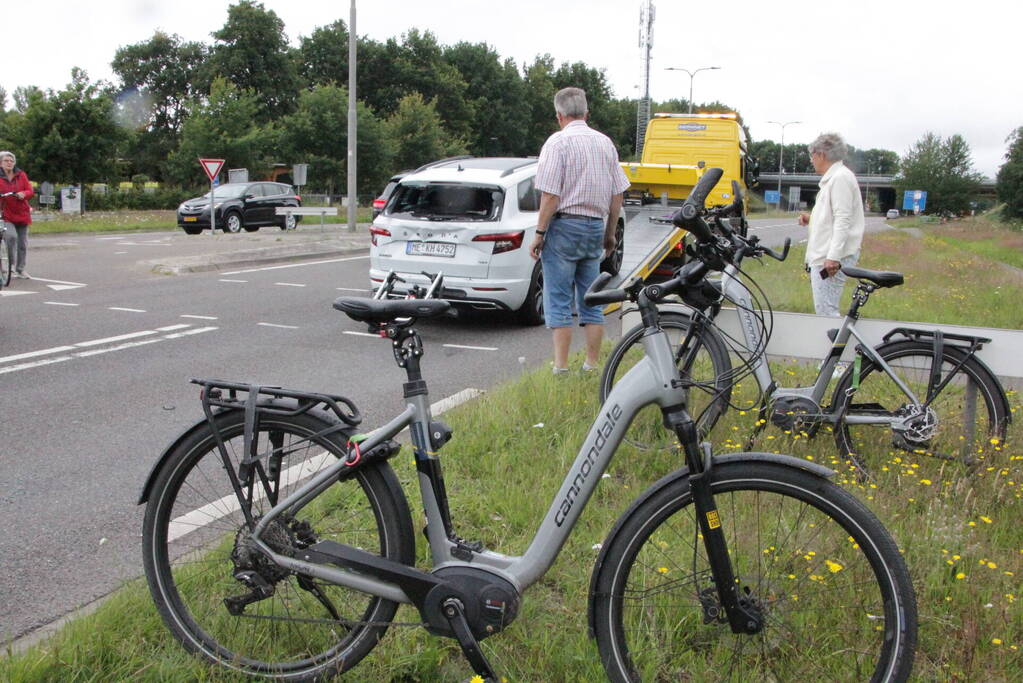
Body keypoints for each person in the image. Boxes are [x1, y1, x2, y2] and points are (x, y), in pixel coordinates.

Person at [530, 87, 630, 374]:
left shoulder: (557, 143)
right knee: (592, 299)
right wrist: (610, 234)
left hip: (563, 226)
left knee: (559, 299)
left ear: (559, 116)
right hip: (594, 227)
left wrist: (539, 233)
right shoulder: (605, 143)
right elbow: (616, 194)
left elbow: (550, 195)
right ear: (586, 114)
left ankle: (560, 367)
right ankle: (592, 365)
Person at [797, 133, 864, 317]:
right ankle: (832, 344)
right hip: (827, 255)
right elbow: (835, 216)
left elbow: (843, 219)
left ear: (821, 155)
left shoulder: (840, 178)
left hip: (831, 257)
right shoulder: (835, 177)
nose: (811, 160)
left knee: (826, 311)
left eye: (812, 156)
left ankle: (834, 345)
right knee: (825, 309)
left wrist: (833, 257)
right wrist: (812, 219)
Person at [0, 150, 34, 279]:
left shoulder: (21, 175)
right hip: (6, 214)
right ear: (0, 163)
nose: (9, 163)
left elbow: (30, 190)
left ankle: (21, 269)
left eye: (12, 161)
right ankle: (10, 267)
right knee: (11, 237)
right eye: (6, 161)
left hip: (22, 213)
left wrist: (23, 194)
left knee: (23, 244)